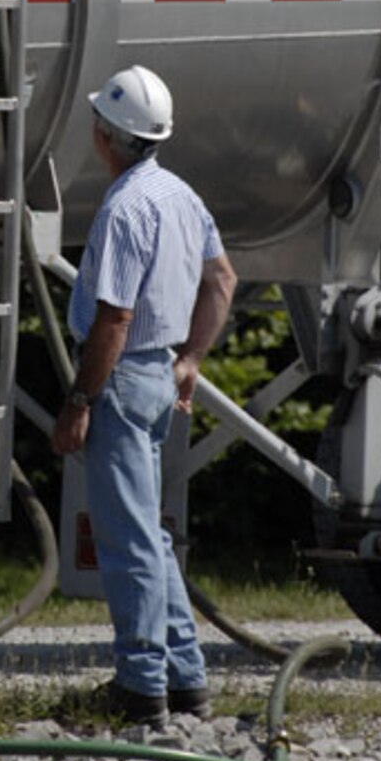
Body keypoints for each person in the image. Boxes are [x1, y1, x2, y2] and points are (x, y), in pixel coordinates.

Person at [53, 64, 236, 726]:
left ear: (105, 134)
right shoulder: (180, 196)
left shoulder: (124, 208)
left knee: (128, 540)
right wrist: (190, 358)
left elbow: (113, 318)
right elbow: (221, 280)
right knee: (150, 538)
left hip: (124, 380)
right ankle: (185, 682)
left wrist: (78, 403)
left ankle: (141, 689)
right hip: (159, 377)